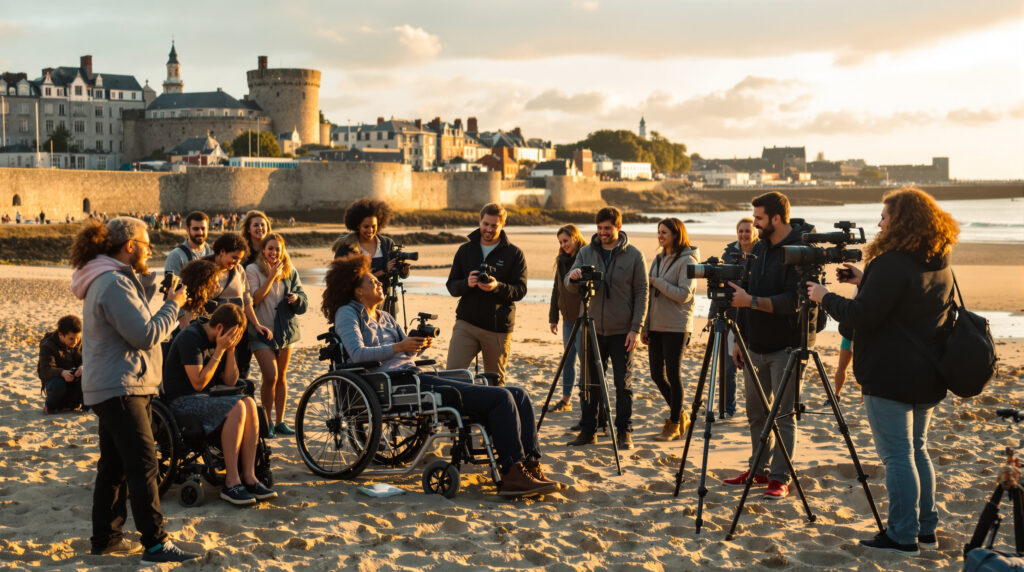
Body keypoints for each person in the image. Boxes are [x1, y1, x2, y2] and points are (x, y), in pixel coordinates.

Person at [325, 253, 564, 497]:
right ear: (357, 292)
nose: (380, 283)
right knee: (501, 398)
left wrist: (417, 345)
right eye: (372, 282)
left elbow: (404, 352)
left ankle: (531, 467)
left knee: (519, 394)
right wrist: (400, 347)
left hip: (412, 375)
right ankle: (512, 473)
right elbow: (356, 353)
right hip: (389, 384)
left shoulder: (385, 316)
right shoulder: (347, 313)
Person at [807, 187, 957, 554]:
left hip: (891, 375)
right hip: (928, 373)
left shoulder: (891, 262)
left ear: (901, 221)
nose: (878, 223)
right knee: (917, 451)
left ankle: (903, 534)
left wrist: (822, 297)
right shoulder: (937, 260)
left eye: (885, 217)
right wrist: (865, 280)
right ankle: (925, 529)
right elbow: (904, 301)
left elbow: (863, 316)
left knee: (897, 456)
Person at [69, 217, 198, 563]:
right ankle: (155, 543)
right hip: (122, 385)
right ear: (130, 246)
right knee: (144, 464)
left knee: (114, 467)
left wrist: (151, 290)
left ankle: (107, 539)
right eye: (146, 245)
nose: (150, 251)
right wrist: (174, 305)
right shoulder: (112, 282)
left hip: (113, 384)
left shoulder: (109, 279)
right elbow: (144, 335)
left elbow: (133, 324)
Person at [722, 191, 814, 500]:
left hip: (786, 347)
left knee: (783, 415)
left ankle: (780, 477)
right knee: (756, 414)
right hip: (753, 345)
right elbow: (743, 294)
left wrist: (752, 302)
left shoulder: (801, 250)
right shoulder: (759, 248)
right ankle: (758, 469)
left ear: (776, 218)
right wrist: (739, 340)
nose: (755, 224)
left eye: (759, 218)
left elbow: (796, 301)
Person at [162, 303, 277, 507]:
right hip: (182, 402)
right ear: (222, 328)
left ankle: (249, 477)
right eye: (234, 336)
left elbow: (231, 381)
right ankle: (231, 481)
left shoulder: (222, 342)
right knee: (238, 407)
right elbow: (198, 383)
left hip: (205, 398)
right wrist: (219, 350)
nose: (235, 340)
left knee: (249, 402)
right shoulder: (191, 337)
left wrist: (230, 350)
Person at [565, 207, 648, 450]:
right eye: (599, 228)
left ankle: (624, 432)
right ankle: (588, 431)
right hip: (590, 328)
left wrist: (636, 327)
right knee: (588, 383)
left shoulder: (634, 255)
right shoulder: (585, 252)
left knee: (623, 384)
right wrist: (573, 277)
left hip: (623, 330)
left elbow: (642, 293)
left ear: (618, 227)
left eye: (607, 228)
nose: (602, 232)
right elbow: (568, 284)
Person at [445, 203, 527, 385]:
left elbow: (520, 290)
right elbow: (451, 286)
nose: (489, 229)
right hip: (466, 324)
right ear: (479, 221)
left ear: (502, 225)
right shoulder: (465, 250)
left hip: (497, 328)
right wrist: (466, 283)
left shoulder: (514, 254)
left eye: (494, 225)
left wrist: (497, 286)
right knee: (451, 377)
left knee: (495, 383)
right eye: (486, 224)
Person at [642, 218, 699, 442]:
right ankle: (681, 414)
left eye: (664, 232)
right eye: (658, 232)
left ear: (676, 234)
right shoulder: (658, 258)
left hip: (676, 325)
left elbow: (684, 294)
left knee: (673, 374)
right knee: (656, 375)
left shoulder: (688, 260)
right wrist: (645, 326)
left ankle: (674, 423)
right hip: (655, 325)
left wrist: (657, 282)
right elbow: (648, 295)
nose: (660, 236)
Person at [246, 233, 307, 438]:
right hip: (261, 332)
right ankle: (268, 422)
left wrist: (296, 298)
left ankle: (280, 421)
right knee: (270, 376)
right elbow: (254, 299)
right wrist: (271, 277)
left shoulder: (290, 271)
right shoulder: (253, 270)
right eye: (270, 248)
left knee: (282, 377)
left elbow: (303, 300)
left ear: (282, 251)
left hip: (285, 332)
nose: (274, 252)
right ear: (263, 250)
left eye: (277, 249)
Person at [204, 233, 272, 379]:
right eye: (234, 257)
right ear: (222, 252)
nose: (236, 262)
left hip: (237, 331)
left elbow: (247, 301)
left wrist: (257, 324)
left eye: (240, 259)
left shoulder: (239, 270)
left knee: (238, 374)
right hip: (213, 333)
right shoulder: (204, 269)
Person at [332, 198, 410, 317]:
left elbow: (394, 272)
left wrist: (403, 272)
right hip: (358, 305)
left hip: (386, 302)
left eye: (374, 226)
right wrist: (382, 271)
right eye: (366, 227)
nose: (370, 230)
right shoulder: (346, 248)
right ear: (357, 225)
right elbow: (344, 279)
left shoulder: (387, 244)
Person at [719, 217, 759, 419]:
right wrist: (712, 315)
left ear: (755, 233)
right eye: (740, 231)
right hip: (730, 318)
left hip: (753, 319)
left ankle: (757, 410)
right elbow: (720, 287)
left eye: (747, 231)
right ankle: (728, 409)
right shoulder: (728, 254)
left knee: (752, 369)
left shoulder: (761, 255)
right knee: (727, 368)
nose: (744, 234)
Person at [548, 224, 585, 412]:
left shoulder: (585, 256)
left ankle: (584, 398)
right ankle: (565, 399)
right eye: (561, 242)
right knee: (568, 360)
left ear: (575, 238)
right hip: (567, 318)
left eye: (566, 240)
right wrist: (553, 317)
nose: (563, 245)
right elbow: (557, 289)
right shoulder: (561, 260)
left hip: (583, 318)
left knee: (583, 358)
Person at [38, 314, 84, 414]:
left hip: (75, 386)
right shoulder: (48, 345)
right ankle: (49, 408)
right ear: (60, 335)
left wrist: (82, 367)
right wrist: (62, 373)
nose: (75, 342)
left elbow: (90, 359)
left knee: (90, 376)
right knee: (57, 384)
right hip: (57, 386)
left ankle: (83, 408)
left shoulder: (80, 341)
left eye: (78, 338)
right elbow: (45, 370)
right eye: (71, 339)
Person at [164, 211, 212, 277]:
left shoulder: (214, 254)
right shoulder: (176, 256)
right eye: (196, 229)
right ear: (187, 230)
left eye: (203, 228)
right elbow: (171, 286)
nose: (200, 232)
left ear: (207, 229)